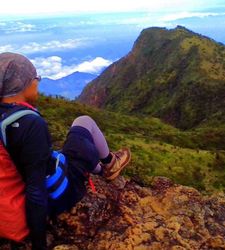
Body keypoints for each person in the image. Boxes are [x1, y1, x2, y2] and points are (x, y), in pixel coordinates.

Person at [0, 52, 131, 250]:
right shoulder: (30, 124)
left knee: (70, 150)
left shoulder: (6, 116)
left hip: (25, 177)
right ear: (25, 84)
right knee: (84, 122)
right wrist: (39, 244)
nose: (38, 83)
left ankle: (97, 167)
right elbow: (36, 190)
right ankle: (109, 163)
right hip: (62, 193)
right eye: (36, 79)